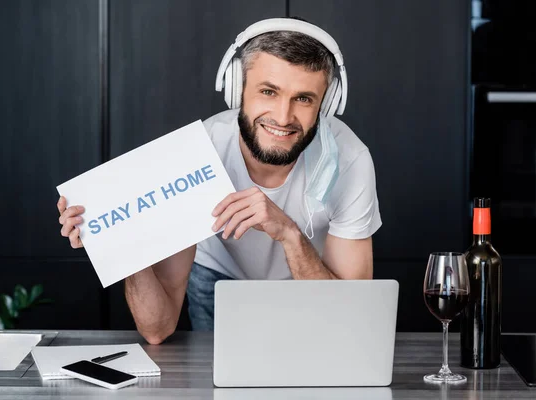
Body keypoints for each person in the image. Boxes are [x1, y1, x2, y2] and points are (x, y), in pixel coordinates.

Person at [57, 18, 382, 344]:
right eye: (268, 91)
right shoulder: (198, 152)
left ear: (326, 104)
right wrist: (123, 244)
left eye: (304, 98)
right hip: (218, 277)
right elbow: (157, 329)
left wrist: (289, 233)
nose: (283, 117)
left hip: (309, 277)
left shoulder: (350, 160)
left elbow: (349, 321)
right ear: (235, 89)